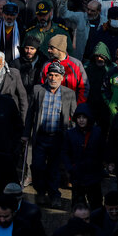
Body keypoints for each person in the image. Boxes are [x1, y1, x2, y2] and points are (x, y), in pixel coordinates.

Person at [23, 62, 77, 208]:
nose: (53, 78)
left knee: (54, 169)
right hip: (40, 137)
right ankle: (41, 192)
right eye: (51, 75)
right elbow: (30, 114)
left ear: (62, 77)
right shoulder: (37, 90)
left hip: (58, 138)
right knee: (38, 166)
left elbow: (74, 116)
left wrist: (73, 137)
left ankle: (54, 195)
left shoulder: (69, 94)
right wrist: (26, 133)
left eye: (56, 75)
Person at [40, 35, 88, 104]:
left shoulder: (76, 65)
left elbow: (84, 87)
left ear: (60, 49)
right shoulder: (46, 65)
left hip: (71, 108)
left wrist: (77, 106)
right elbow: (42, 87)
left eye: (51, 48)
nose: (48, 50)